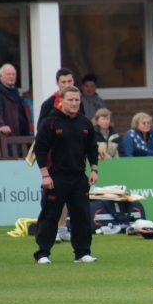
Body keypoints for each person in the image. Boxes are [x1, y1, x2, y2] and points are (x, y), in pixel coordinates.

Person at [32, 85, 99, 264]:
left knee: (82, 216)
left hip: (78, 177)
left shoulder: (85, 123)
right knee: (50, 215)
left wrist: (94, 169)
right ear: (61, 101)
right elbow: (40, 150)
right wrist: (45, 175)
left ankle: (82, 253)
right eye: (70, 100)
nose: (74, 103)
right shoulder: (50, 122)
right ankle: (43, 254)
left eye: (77, 100)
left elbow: (92, 148)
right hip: (55, 177)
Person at [0, 64, 31, 137]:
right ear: (1, 76)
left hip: (20, 135)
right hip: (5, 136)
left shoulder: (15, 91)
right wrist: (1, 125)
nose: (11, 76)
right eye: (8, 74)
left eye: (13, 74)